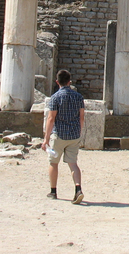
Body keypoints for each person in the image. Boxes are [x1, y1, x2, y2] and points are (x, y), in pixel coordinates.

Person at [42, 69, 86, 204]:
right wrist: (79, 132)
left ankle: (53, 191)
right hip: (74, 135)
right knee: (73, 164)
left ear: (57, 82)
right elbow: (82, 117)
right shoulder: (79, 97)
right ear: (69, 82)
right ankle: (78, 189)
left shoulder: (55, 97)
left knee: (53, 162)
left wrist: (46, 139)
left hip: (59, 135)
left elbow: (51, 118)